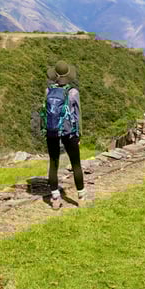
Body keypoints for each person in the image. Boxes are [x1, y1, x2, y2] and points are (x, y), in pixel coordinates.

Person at [43, 60, 88, 210]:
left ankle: (55, 198)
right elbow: (78, 114)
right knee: (76, 164)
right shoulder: (73, 92)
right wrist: (79, 134)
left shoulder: (48, 91)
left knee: (53, 163)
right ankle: (81, 197)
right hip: (69, 133)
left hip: (52, 132)